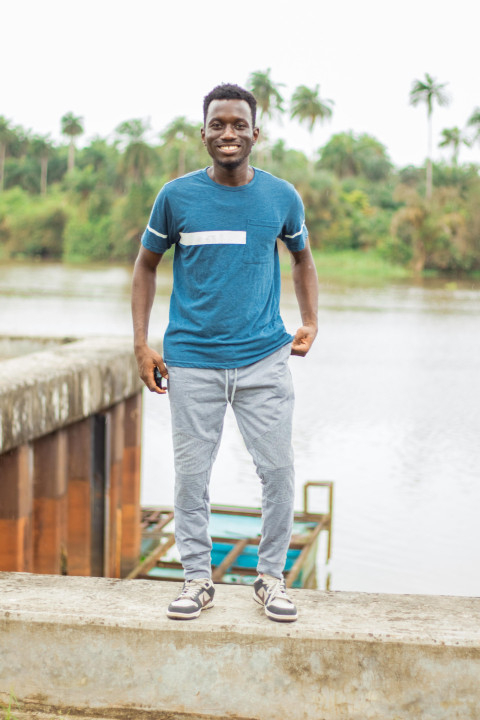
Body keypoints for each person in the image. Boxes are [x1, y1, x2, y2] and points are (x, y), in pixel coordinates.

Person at [131, 83, 318, 623]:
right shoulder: (176, 197)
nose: (228, 134)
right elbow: (146, 266)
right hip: (191, 359)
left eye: (239, 125)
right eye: (218, 124)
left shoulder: (281, 196)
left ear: (255, 134)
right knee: (192, 475)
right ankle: (196, 580)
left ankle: (271, 579)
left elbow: (303, 258)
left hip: (265, 357)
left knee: (278, 470)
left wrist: (309, 320)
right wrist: (142, 343)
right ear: (205, 132)